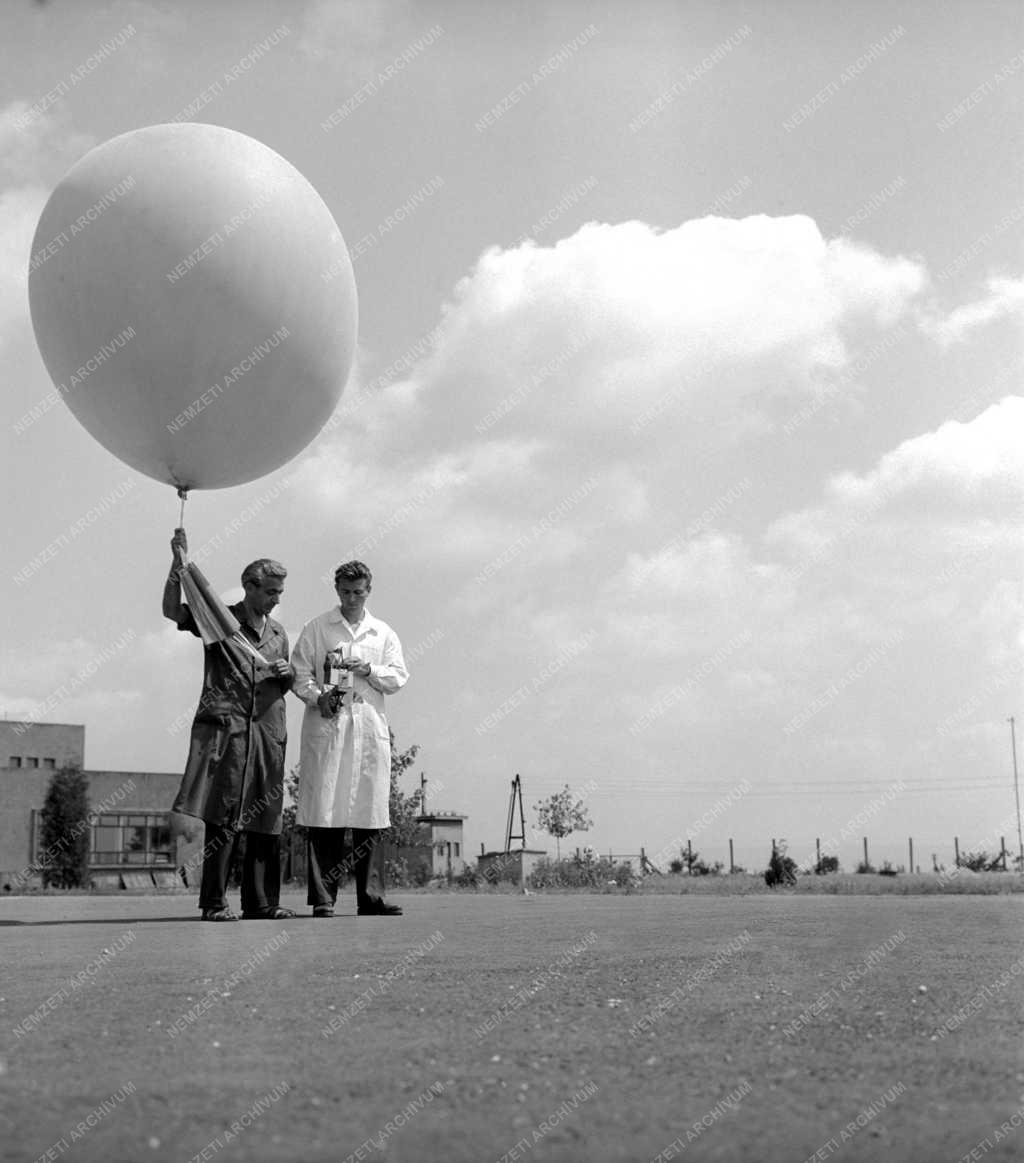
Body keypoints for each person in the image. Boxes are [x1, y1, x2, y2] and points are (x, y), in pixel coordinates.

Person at [163, 528, 296, 921]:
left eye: (280, 593)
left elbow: (284, 685)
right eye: (271, 591)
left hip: (268, 733)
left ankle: (261, 904)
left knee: (266, 817)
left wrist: (286, 673)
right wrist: (177, 565)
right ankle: (214, 904)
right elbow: (173, 611)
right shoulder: (219, 621)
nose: (276, 599)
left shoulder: (278, 633)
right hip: (230, 732)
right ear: (250, 587)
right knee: (223, 816)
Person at [291, 561, 408, 917]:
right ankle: (323, 899)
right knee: (325, 813)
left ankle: (370, 898)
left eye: (358, 592)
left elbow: (399, 676)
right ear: (336, 590)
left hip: (368, 731)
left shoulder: (382, 633)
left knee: (369, 815)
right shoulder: (318, 629)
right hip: (329, 730)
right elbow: (300, 674)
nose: (352, 598)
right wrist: (316, 697)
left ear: (368, 590)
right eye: (345, 592)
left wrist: (369, 670)